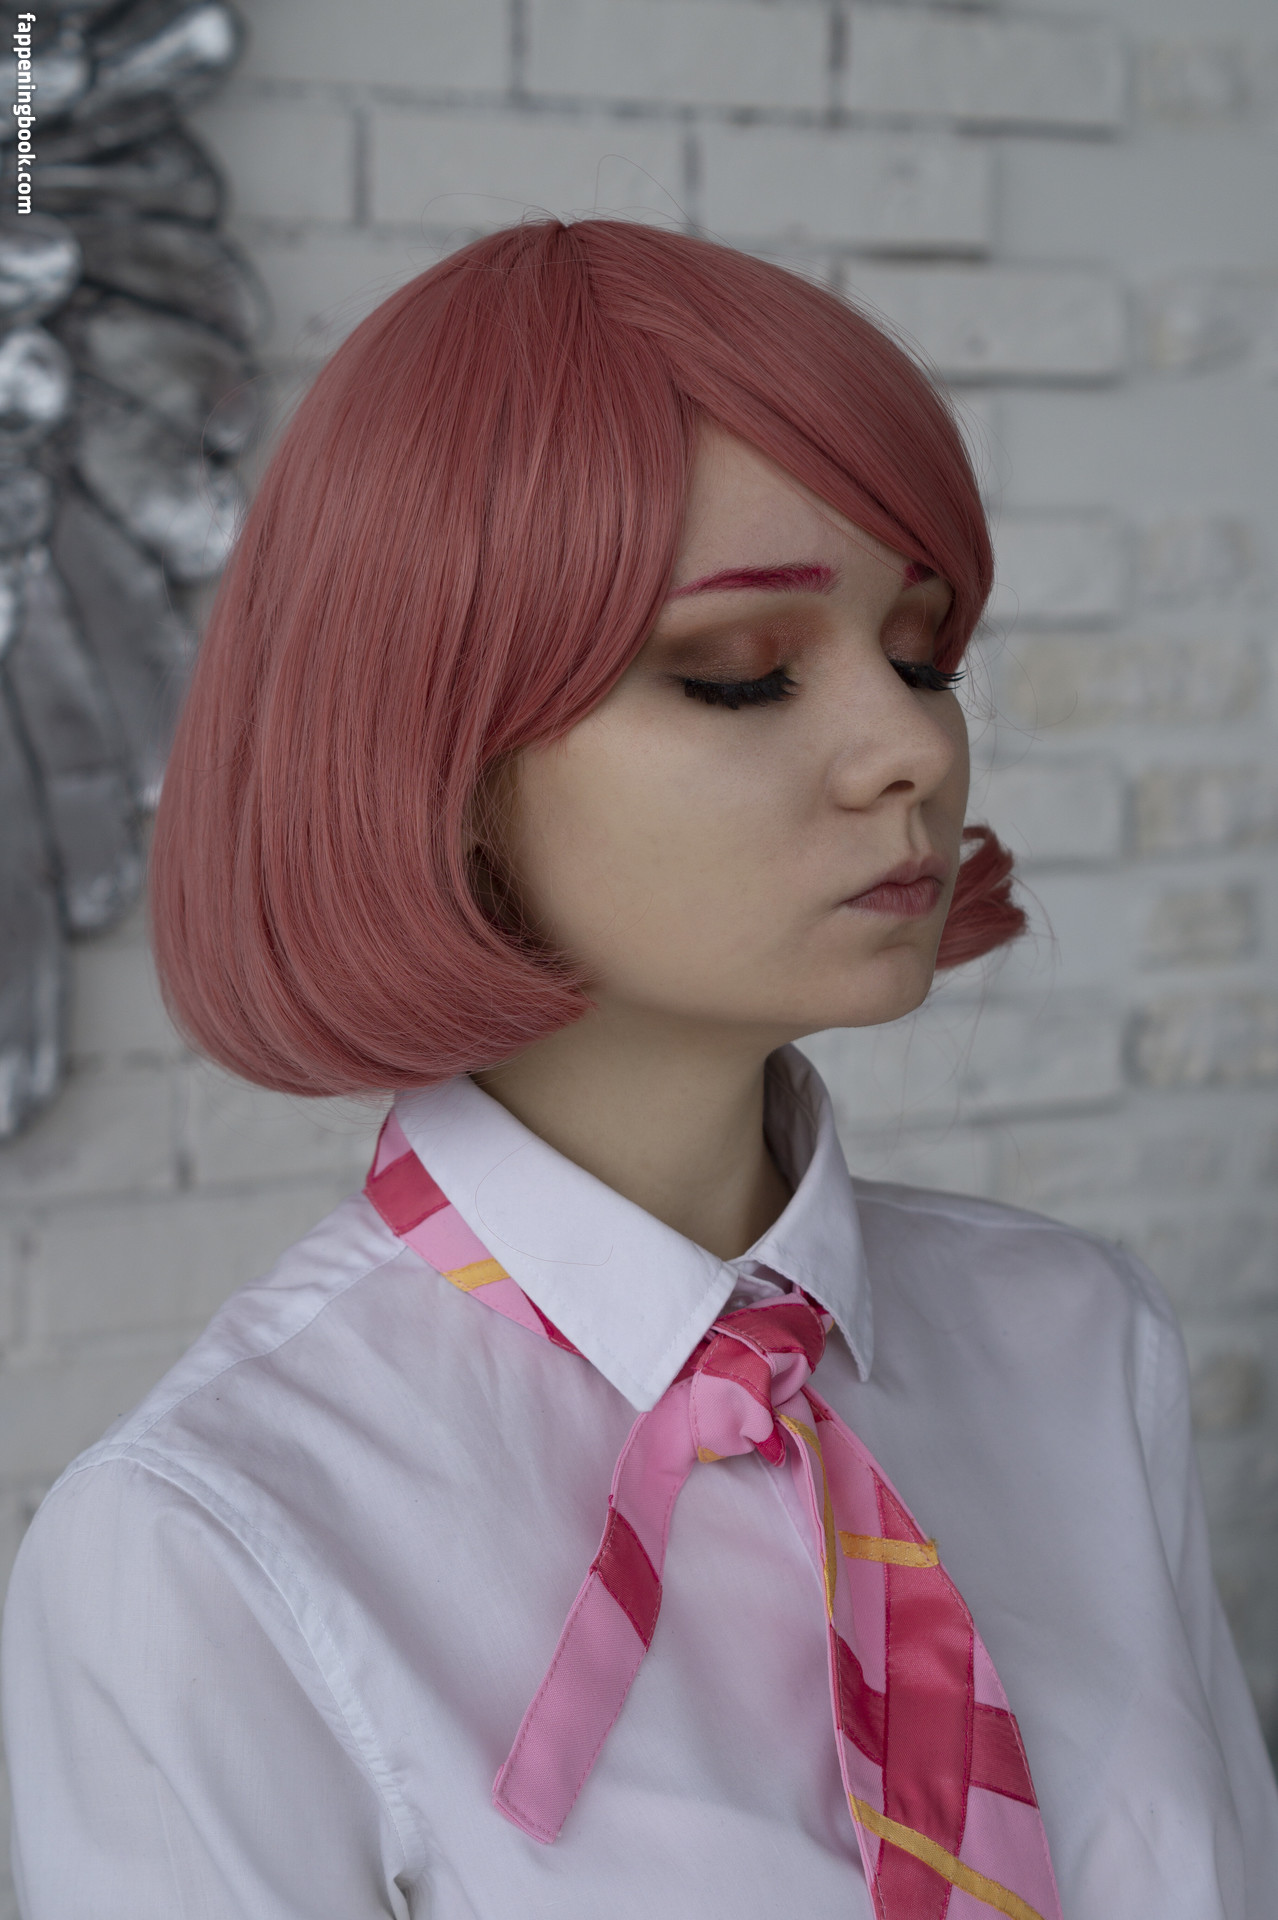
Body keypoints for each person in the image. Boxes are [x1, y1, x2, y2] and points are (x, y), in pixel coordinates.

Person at [3, 219, 1276, 1920]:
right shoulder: (205, 1547)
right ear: (439, 758)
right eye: (738, 676)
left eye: (923, 654)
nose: (910, 744)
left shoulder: (1076, 1344)